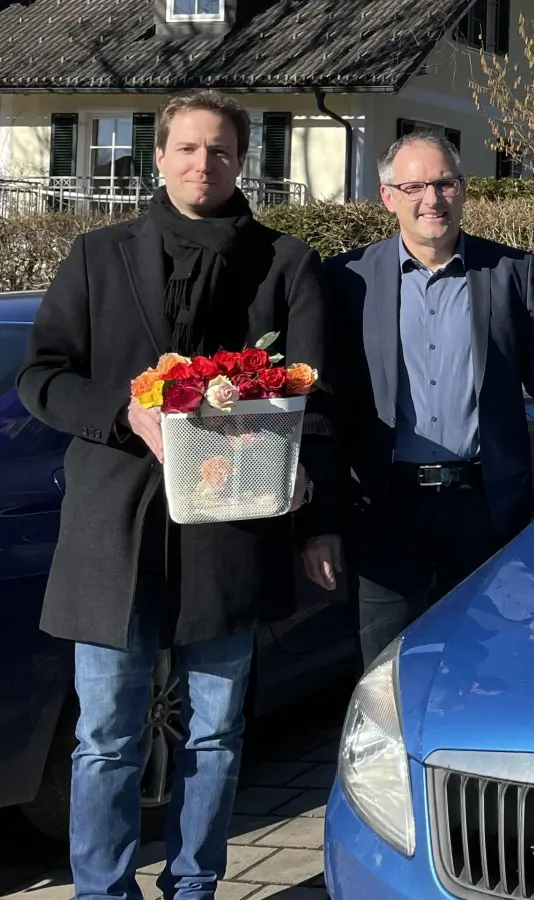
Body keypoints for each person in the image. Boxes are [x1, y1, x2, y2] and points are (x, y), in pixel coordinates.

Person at [17, 89, 341, 899]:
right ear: (157, 158)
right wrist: (122, 413)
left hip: (229, 531)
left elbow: (317, 398)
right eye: (189, 149)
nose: (205, 164)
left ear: (242, 161)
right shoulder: (97, 255)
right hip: (114, 533)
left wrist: (308, 484)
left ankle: (195, 887)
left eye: (222, 150)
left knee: (219, 733)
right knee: (105, 737)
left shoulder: (287, 263)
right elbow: (41, 375)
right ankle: (103, 890)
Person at [323, 132, 534, 666]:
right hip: (385, 509)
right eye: (415, 186)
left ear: (462, 189)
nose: (433, 198)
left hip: (483, 507)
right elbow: (327, 395)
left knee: (484, 664)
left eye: (445, 182)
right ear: (388, 197)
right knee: (388, 670)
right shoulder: (347, 278)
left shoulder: (507, 271)